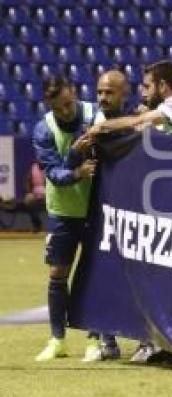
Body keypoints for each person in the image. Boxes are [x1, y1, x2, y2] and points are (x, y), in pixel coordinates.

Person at [32, 77, 107, 362]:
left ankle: (94, 340)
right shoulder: (43, 129)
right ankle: (57, 339)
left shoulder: (94, 116)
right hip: (62, 211)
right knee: (57, 275)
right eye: (58, 108)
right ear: (49, 105)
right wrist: (76, 161)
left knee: (94, 275)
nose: (64, 112)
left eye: (67, 104)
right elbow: (54, 173)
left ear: (74, 93)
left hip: (96, 208)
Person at [87, 61, 172, 138]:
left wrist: (101, 127)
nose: (143, 93)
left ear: (162, 85)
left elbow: (138, 122)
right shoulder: (167, 108)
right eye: (99, 92)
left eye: (147, 87)